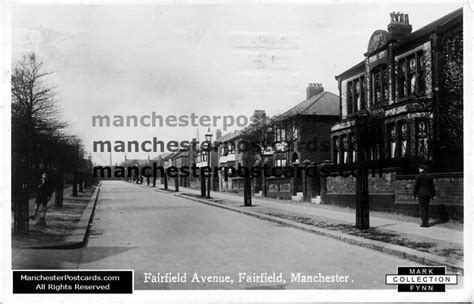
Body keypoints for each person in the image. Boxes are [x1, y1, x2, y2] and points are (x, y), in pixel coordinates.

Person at [413, 162, 436, 227]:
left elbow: (416, 186)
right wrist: (433, 195)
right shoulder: (429, 176)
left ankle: (424, 223)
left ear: (420, 169)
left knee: (422, 208)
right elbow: (432, 186)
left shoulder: (418, 176)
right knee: (426, 207)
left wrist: (414, 194)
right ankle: (427, 222)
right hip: (428, 194)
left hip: (421, 194)